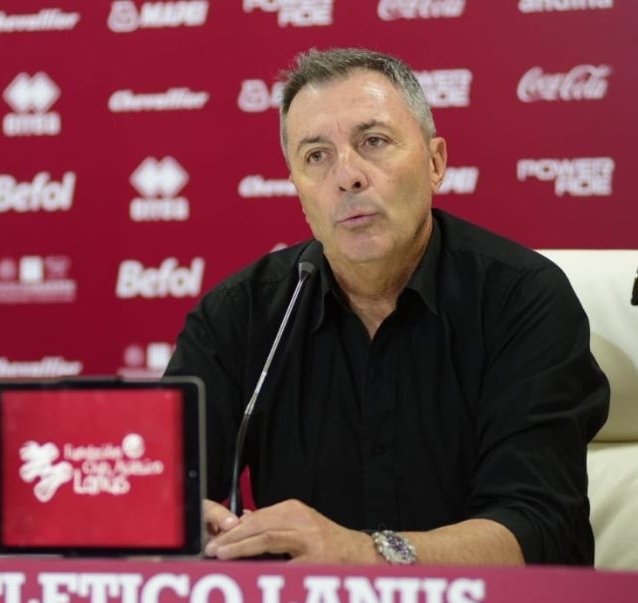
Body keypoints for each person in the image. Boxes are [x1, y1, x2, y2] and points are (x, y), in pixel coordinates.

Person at [164, 47, 610, 566]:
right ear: (298, 190)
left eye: (373, 142)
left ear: (435, 163)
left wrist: (363, 555)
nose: (347, 176)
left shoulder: (523, 299)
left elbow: (539, 529)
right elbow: (162, 491)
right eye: (316, 156)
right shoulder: (239, 316)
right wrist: (177, 523)